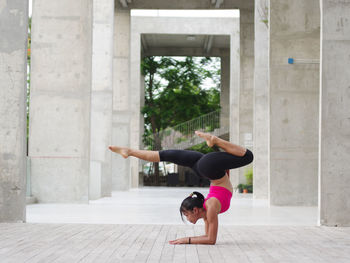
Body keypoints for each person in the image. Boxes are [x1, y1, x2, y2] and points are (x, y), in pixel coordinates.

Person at [108, 131, 253, 245]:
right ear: (195, 210)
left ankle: (131, 151)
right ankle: (130, 151)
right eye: (186, 215)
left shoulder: (209, 208)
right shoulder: (210, 209)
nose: (187, 218)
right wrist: (187, 240)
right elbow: (210, 239)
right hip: (207, 167)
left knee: (165, 155)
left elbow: (208, 239)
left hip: (207, 168)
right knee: (248, 156)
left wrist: (187, 239)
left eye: (186, 215)